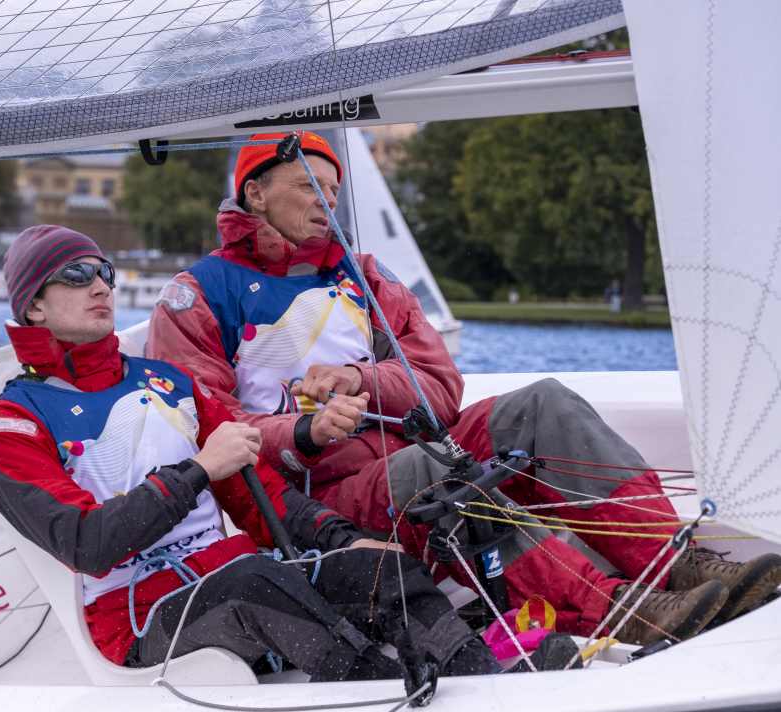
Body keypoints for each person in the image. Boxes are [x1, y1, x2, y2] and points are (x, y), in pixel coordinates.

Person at [146, 131, 781, 645]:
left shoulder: (364, 277)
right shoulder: (198, 295)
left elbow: (440, 388)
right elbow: (207, 432)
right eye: (310, 186)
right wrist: (307, 429)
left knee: (544, 403)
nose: (327, 203)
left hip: (404, 461)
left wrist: (361, 377)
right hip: (320, 499)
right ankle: (619, 610)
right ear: (254, 193)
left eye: (334, 190)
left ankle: (673, 562)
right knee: (439, 470)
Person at [0, 226, 571, 698]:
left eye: (103, 270)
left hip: (241, 578)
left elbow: (265, 496)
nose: (101, 285)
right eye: (77, 276)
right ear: (34, 308)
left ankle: (494, 685)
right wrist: (197, 472)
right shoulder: (11, 426)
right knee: (254, 582)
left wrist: (344, 539)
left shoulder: (169, 381)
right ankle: (383, 691)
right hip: (136, 620)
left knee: (381, 569)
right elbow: (87, 544)